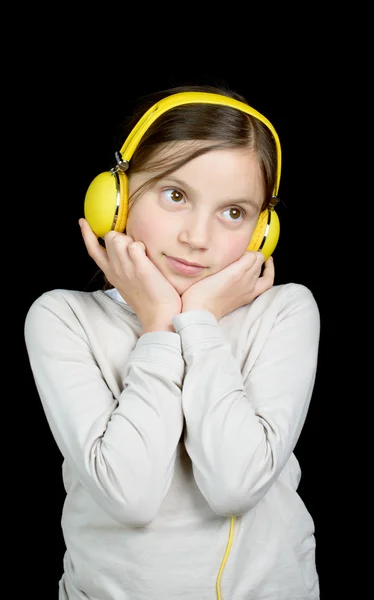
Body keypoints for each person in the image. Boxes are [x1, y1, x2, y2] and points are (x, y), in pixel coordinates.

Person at [24, 84, 321, 600]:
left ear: (262, 231)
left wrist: (200, 320)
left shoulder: (285, 311)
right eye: (176, 195)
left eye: (234, 212)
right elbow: (130, 496)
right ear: (113, 199)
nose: (197, 237)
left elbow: (234, 485)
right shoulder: (63, 317)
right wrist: (160, 321)